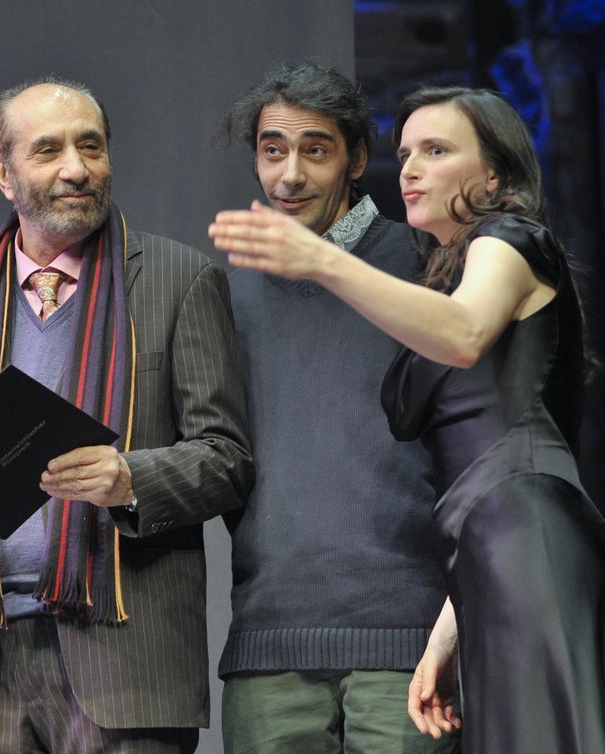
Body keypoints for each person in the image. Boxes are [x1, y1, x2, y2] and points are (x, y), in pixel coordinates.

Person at [210, 86, 605, 752]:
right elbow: (476, 462)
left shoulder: (510, 237)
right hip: (486, 555)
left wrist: (322, 259)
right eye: (408, 152)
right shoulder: (449, 276)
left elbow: (465, 336)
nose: (411, 169)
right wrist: (448, 631)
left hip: (527, 538)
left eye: (436, 151)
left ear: (494, 174)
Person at [0, 77, 253, 754]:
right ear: (3, 173)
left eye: (91, 146)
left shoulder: (179, 279)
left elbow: (227, 459)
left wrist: (130, 478)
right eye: (48, 150)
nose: (76, 168)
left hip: (126, 656)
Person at [214, 62, 456, 754]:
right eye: (272, 150)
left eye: (315, 150)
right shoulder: (231, 293)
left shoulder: (427, 265)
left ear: (355, 159)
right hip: (269, 643)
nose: (290, 175)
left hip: (408, 641)